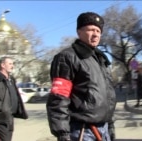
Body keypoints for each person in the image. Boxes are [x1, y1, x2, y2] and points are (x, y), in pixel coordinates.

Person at [46, 12, 117, 141]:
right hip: (82, 131)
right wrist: (62, 133)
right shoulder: (67, 57)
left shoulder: (101, 60)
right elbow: (59, 98)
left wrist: (110, 125)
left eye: (98, 31)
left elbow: (108, 96)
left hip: (104, 129)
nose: (95, 34)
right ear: (79, 32)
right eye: (90, 30)